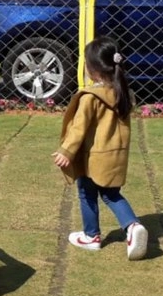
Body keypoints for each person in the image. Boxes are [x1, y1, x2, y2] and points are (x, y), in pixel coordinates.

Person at [52, 37, 148, 260]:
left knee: (86, 193)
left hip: (92, 157)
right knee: (112, 194)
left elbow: (78, 128)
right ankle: (132, 226)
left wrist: (66, 151)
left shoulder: (90, 97)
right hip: (115, 156)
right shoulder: (122, 93)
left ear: (91, 68)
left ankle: (91, 236)